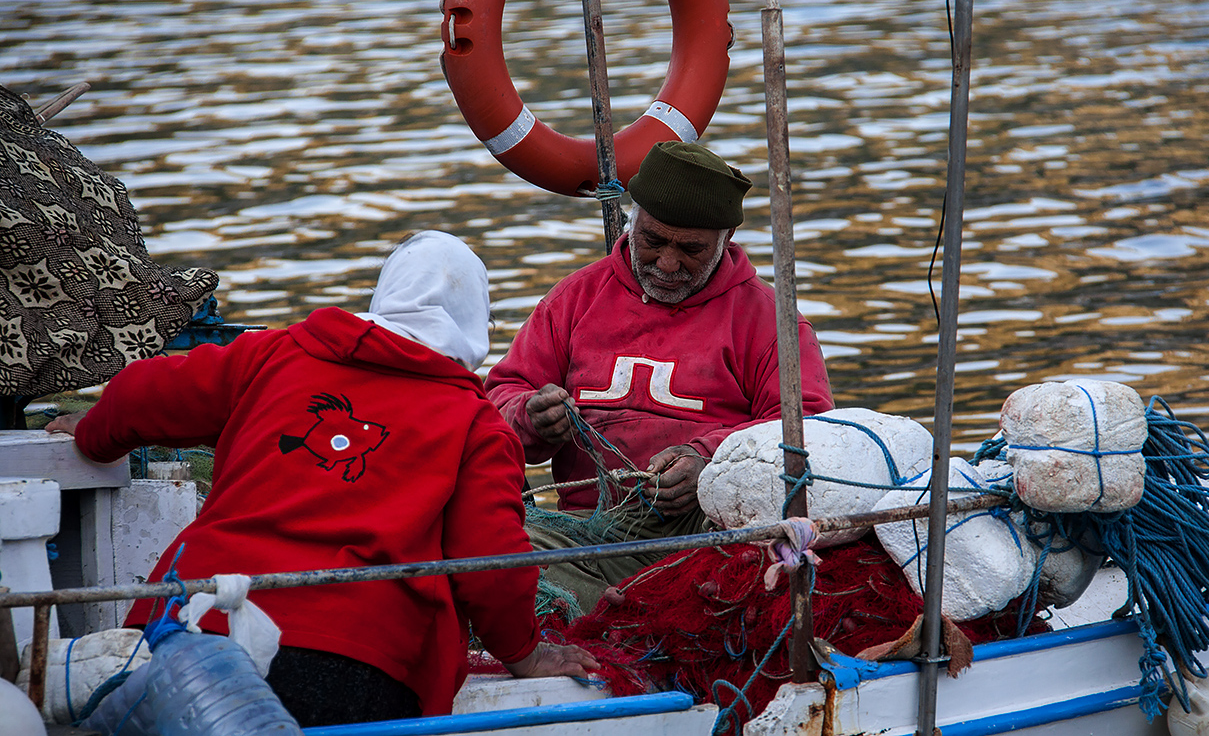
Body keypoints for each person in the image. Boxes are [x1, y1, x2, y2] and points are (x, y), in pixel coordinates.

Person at [46, 231, 596, 727]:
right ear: (476, 323)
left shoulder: (276, 353)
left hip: (191, 633)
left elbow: (143, 392)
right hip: (358, 667)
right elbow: (490, 564)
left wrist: (91, 435)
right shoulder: (476, 426)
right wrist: (525, 654)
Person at [486, 141, 835, 614]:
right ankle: (621, 611)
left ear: (726, 237)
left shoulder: (770, 321)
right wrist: (531, 417)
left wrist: (708, 463)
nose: (667, 264)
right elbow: (501, 399)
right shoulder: (574, 299)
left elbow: (806, 428)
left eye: (690, 249)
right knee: (490, 541)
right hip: (587, 533)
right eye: (653, 241)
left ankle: (619, 613)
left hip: (706, 532)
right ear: (633, 221)